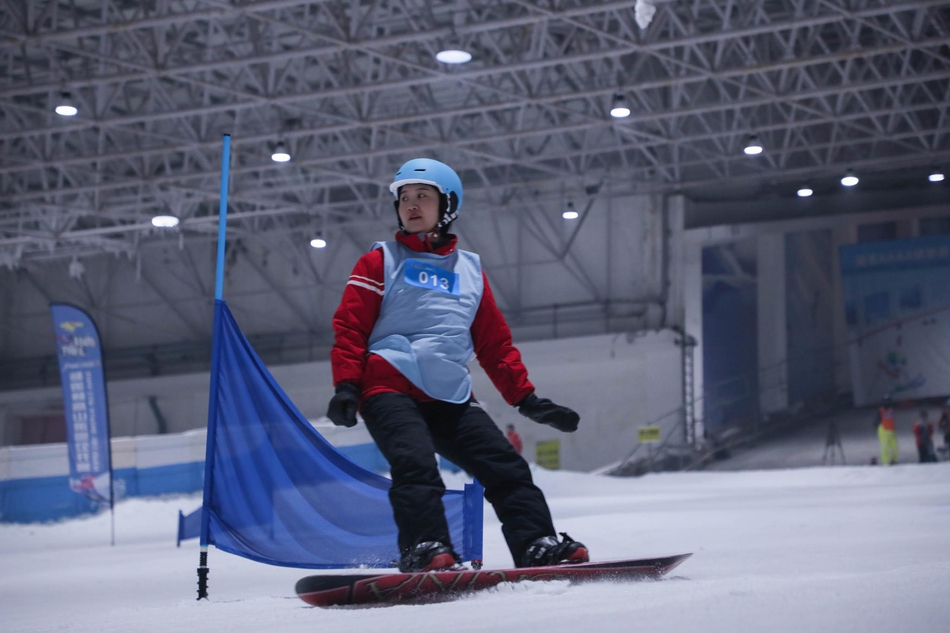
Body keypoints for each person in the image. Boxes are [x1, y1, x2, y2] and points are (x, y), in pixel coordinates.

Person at [326, 158, 588, 573]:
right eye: (404, 198)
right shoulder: (379, 262)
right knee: (416, 465)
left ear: (447, 205)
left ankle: (536, 544)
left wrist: (527, 399)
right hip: (388, 386)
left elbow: (494, 344)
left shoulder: (470, 270)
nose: (411, 205)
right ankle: (425, 547)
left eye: (422, 196)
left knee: (506, 466)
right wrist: (347, 386)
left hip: (448, 391)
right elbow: (350, 327)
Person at [875, 395, 899, 466]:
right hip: (884, 430)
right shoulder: (881, 411)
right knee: (885, 447)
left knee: (894, 446)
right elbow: (877, 421)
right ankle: (885, 462)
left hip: (891, 430)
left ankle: (893, 460)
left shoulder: (891, 410)